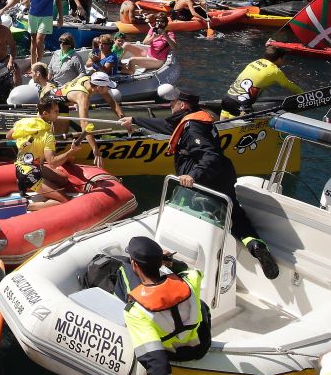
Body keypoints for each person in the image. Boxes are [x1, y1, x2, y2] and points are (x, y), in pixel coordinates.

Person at [120, 91, 280, 278]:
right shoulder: (192, 119)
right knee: (235, 216)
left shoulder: (193, 127)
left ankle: (183, 259)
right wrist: (135, 120)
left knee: (188, 211)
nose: (170, 105)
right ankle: (256, 246)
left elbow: (210, 155)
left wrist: (193, 175)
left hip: (205, 178)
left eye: (173, 102)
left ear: (183, 105)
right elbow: (167, 126)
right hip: (221, 174)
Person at [121, 235, 211, 375]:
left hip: (174, 355)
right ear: (160, 262)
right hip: (201, 346)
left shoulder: (136, 311)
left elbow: (156, 360)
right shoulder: (189, 281)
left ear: (135, 264)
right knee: (201, 305)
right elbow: (194, 272)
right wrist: (171, 263)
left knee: (122, 272)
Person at [7, 96, 87, 210]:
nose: (58, 114)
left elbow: (8, 136)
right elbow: (53, 163)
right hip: (29, 174)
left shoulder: (24, 122)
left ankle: (25, 183)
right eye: (56, 112)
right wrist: (71, 151)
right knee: (64, 201)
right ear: (45, 113)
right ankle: (27, 206)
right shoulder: (47, 136)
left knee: (63, 179)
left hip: (23, 167)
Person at [0, 0, 62, 65]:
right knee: (33, 41)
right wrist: (4, 9)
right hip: (32, 15)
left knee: (39, 40)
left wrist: (60, 17)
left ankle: (38, 63)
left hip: (46, 16)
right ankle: (33, 65)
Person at [223, 44, 302, 114]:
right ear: (279, 59)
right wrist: (303, 95)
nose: (283, 61)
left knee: (227, 115)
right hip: (241, 105)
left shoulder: (256, 62)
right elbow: (288, 85)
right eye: (283, 59)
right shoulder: (275, 71)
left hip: (226, 99)